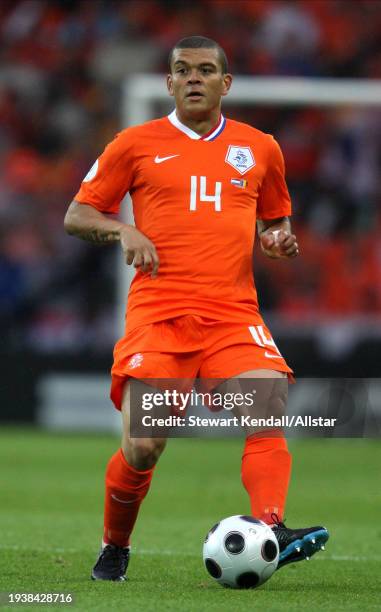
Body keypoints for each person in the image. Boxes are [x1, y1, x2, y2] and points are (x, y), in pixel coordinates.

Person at [64, 36, 329, 582]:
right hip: (159, 315)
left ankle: (271, 529)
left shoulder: (261, 148)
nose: (193, 78)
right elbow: (78, 214)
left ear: (225, 83)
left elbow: (275, 221)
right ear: (168, 83)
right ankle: (116, 544)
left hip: (233, 313)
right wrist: (123, 229)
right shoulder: (133, 144)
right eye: (182, 70)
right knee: (143, 444)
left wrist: (278, 239)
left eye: (205, 70)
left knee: (266, 410)